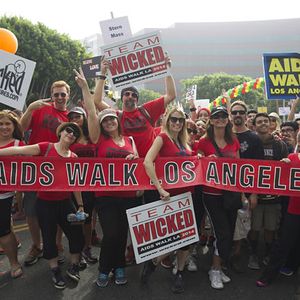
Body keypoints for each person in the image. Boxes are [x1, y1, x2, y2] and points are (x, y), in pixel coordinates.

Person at [74, 69, 142, 288]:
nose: (109, 122)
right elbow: (93, 113)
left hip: (129, 196)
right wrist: (86, 87)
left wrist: (134, 158)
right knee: (110, 234)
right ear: (101, 126)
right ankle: (104, 269)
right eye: (105, 121)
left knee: (122, 234)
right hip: (105, 196)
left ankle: (119, 267)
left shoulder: (131, 139)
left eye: (112, 119)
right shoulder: (98, 140)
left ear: (118, 121)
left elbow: (140, 165)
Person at [0, 122, 85, 289]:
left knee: (76, 234)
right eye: (68, 129)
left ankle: (74, 266)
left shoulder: (74, 157)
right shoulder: (45, 147)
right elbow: (19, 151)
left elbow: (76, 183)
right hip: (45, 203)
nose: (71, 133)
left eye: (75, 132)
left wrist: (80, 205)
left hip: (66, 202)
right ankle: (54, 269)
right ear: (60, 132)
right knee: (48, 236)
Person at [143, 107, 195, 294]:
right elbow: (148, 162)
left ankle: (179, 273)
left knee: (185, 238)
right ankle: (154, 262)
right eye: (173, 119)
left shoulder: (185, 142)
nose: (177, 123)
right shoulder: (162, 138)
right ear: (167, 120)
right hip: (169, 196)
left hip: (187, 196)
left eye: (181, 120)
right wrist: (160, 188)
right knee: (170, 238)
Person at [20, 80, 70, 266]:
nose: (59, 97)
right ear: (51, 94)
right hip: (34, 169)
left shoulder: (70, 117)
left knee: (57, 210)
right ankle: (36, 245)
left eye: (62, 94)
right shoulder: (40, 108)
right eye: (56, 94)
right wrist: (30, 109)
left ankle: (57, 244)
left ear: (68, 95)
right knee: (31, 211)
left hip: (58, 171)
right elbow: (22, 129)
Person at [196, 106, 240, 290]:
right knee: (222, 232)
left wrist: (243, 194)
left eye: (223, 116)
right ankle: (214, 269)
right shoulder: (203, 142)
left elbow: (239, 167)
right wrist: (202, 158)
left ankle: (219, 266)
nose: (220, 119)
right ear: (211, 120)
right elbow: (197, 165)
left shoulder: (233, 140)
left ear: (227, 120)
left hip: (230, 194)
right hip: (211, 194)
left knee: (227, 233)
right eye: (216, 117)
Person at [248, 113, 288, 270]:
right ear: (254, 125)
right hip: (255, 196)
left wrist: (286, 163)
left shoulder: (280, 144)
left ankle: (267, 254)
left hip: (274, 196)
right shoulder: (251, 143)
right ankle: (252, 254)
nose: (263, 123)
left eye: (266, 121)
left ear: (271, 124)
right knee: (254, 228)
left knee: (271, 228)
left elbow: (287, 167)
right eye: (260, 122)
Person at [229, 101, 264, 273]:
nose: (237, 115)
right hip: (227, 189)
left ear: (245, 115)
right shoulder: (225, 135)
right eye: (234, 112)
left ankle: (244, 255)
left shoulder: (254, 138)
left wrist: (254, 193)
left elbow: (259, 167)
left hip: (249, 190)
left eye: (241, 112)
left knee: (247, 225)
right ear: (230, 114)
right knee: (231, 225)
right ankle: (231, 256)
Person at [256, 151, 300, 287]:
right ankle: (268, 275)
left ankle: (291, 266)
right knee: (284, 242)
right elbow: (280, 179)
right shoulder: (292, 158)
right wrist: (281, 166)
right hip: (294, 209)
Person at [68, 107, 98, 265]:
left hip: (93, 184)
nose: (74, 119)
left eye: (77, 116)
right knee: (77, 220)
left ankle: (87, 247)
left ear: (84, 118)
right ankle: (77, 251)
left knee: (88, 219)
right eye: (71, 117)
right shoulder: (68, 137)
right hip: (74, 185)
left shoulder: (92, 136)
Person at [0, 110, 25, 279]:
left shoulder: (19, 144)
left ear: (14, 125)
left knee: (3, 231)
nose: (4, 127)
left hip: (5, 194)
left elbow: (28, 170)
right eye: (0, 124)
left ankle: (14, 263)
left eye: (8, 123)